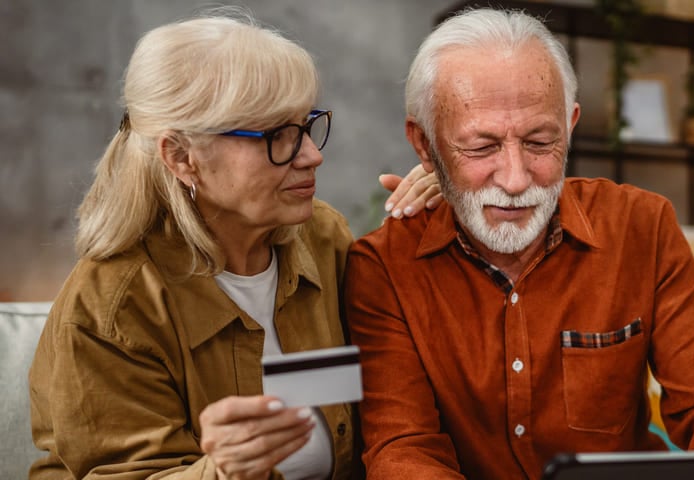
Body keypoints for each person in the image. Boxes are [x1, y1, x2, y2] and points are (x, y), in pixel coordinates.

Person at [344, 7, 694, 480]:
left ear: (568, 126)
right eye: (481, 147)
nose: (514, 179)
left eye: (539, 142)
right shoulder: (384, 267)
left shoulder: (641, 227)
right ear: (425, 146)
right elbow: (403, 451)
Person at [28, 7, 440, 480]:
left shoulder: (322, 239)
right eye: (277, 135)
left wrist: (450, 212)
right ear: (182, 157)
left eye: (305, 126)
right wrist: (222, 471)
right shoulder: (111, 308)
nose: (312, 154)